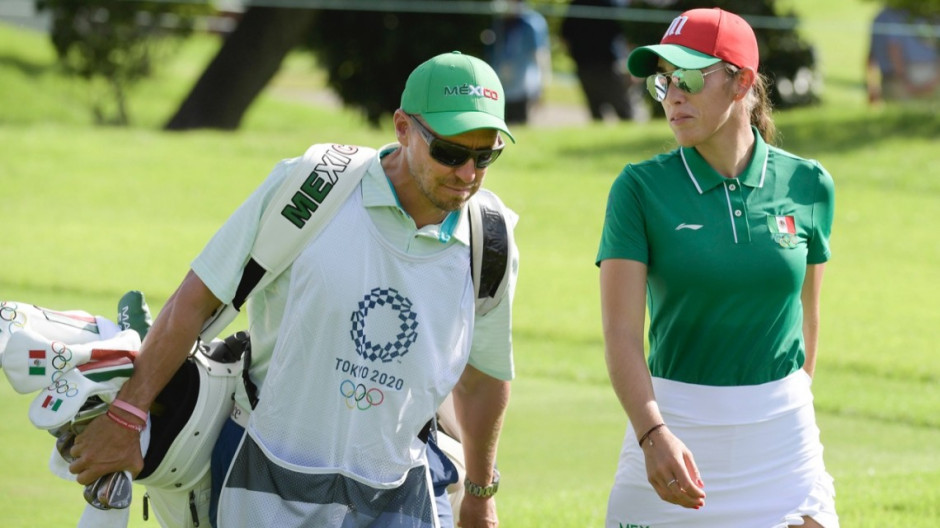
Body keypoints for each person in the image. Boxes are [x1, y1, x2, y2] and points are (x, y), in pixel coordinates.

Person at [66, 51, 519, 528]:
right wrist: (126, 415)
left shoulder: (490, 237)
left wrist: (480, 491)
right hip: (264, 477)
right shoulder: (314, 185)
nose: (467, 174)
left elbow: (484, 376)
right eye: (449, 153)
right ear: (403, 128)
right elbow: (197, 299)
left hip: (401, 490)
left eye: (484, 156)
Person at [596, 8, 838, 528]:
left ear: (741, 82)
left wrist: (787, 406)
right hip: (672, 429)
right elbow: (620, 336)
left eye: (686, 77)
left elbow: (807, 316)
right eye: (663, 81)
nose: (672, 96)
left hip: (782, 441)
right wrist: (651, 433)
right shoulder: (638, 189)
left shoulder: (810, 185)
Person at [561, 0, 635, 121]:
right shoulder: (610, 4)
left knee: (599, 113)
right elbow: (625, 35)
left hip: (588, 65)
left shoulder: (575, 5)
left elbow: (564, 37)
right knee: (624, 113)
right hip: (605, 66)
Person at [486, 0, 551, 124]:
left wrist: (543, 81)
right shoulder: (499, 23)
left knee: (520, 121)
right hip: (501, 84)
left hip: (523, 85)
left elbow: (540, 53)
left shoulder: (532, 22)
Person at [866, 6, 940, 104]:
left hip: (902, 78)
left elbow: (874, 56)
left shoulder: (882, 17)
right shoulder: (893, 16)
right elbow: (892, 50)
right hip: (901, 78)